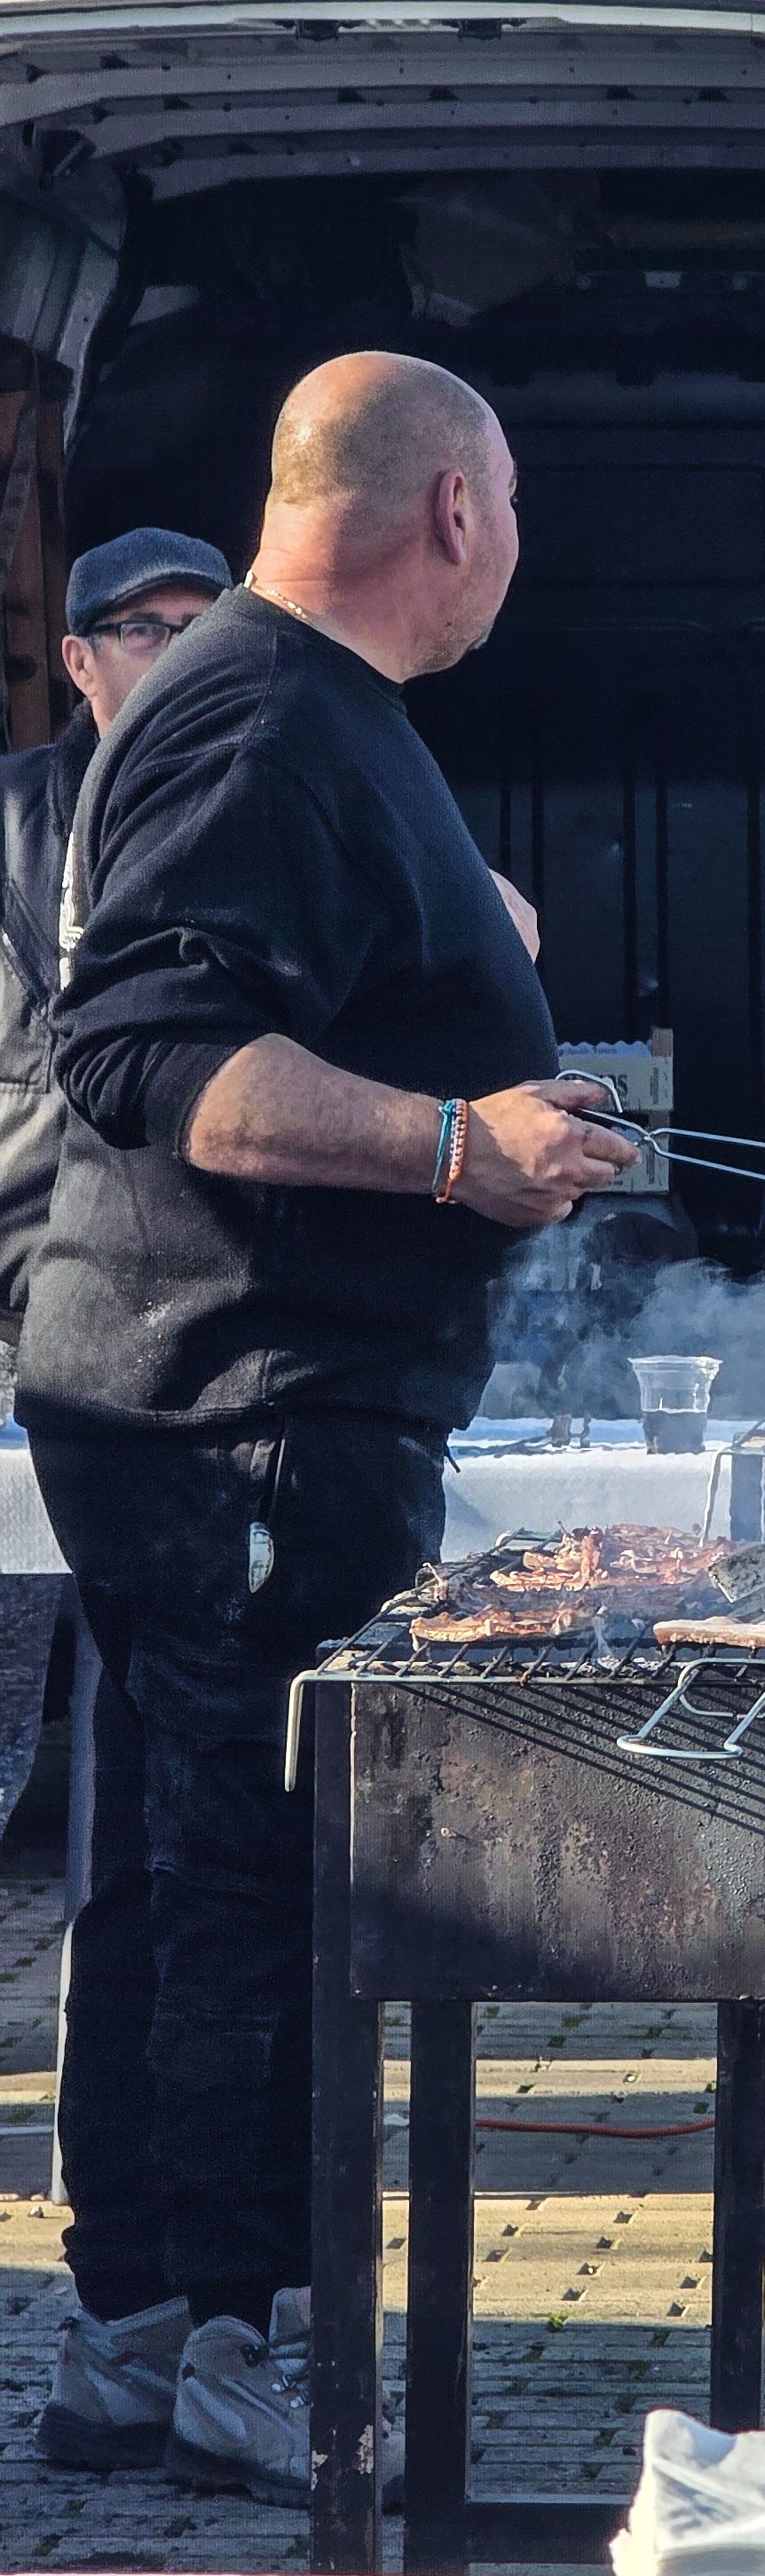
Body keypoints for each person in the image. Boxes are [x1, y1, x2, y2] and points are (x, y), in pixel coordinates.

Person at [24, 351, 639, 2503]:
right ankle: (252, 2340)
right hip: (240, 1406)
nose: (518, 557)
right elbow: (146, 1048)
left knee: (178, 1861)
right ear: (452, 508)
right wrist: (453, 1140)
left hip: (218, 1392)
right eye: (519, 514)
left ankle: (134, 2327)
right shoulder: (267, 704)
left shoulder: (282, 708)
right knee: (256, 1876)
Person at [0, 528, 231, 1840]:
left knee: (157, 1729)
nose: (176, 655)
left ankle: (123, 2034)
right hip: (14, 1319)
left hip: (173, 1335)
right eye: (146, 630)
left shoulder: (261, 808)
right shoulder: (10, 815)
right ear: (79, 657)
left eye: (203, 629)